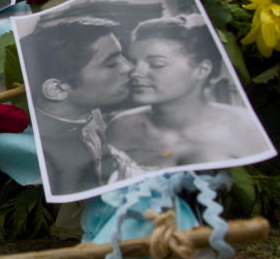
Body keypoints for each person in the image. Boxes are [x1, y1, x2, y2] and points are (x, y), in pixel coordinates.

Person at [106, 15, 270, 168]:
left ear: (202, 70)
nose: (135, 72)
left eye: (156, 64)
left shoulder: (246, 127)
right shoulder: (120, 127)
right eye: (133, 61)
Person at [25, 16, 136, 196]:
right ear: (57, 89)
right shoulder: (38, 155)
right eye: (111, 63)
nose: (129, 67)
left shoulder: (91, 112)